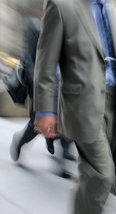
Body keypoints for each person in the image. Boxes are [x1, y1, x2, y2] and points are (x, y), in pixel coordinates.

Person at [33, 0, 116, 214]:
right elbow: (45, 63)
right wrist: (45, 110)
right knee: (104, 176)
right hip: (81, 106)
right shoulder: (60, 2)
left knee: (92, 177)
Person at [9, 17, 75, 178]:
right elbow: (28, 59)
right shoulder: (35, 27)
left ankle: (62, 158)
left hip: (61, 84)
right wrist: (37, 85)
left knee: (67, 120)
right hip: (41, 85)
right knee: (36, 124)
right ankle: (19, 141)